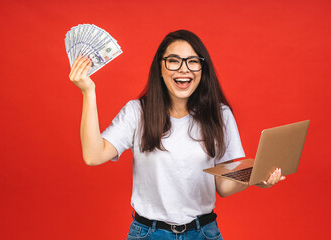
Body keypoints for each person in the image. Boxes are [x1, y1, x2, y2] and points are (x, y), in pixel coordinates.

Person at [69, 30, 285, 240]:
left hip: (203, 232)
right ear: (160, 68)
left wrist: (256, 177)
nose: (184, 69)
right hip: (149, 234)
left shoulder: (220, 115)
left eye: (192, 61)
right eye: (173, 61)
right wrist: (88, 92)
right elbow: (93, 155)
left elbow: (223, 187)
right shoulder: (137, 112)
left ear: (202, 68)